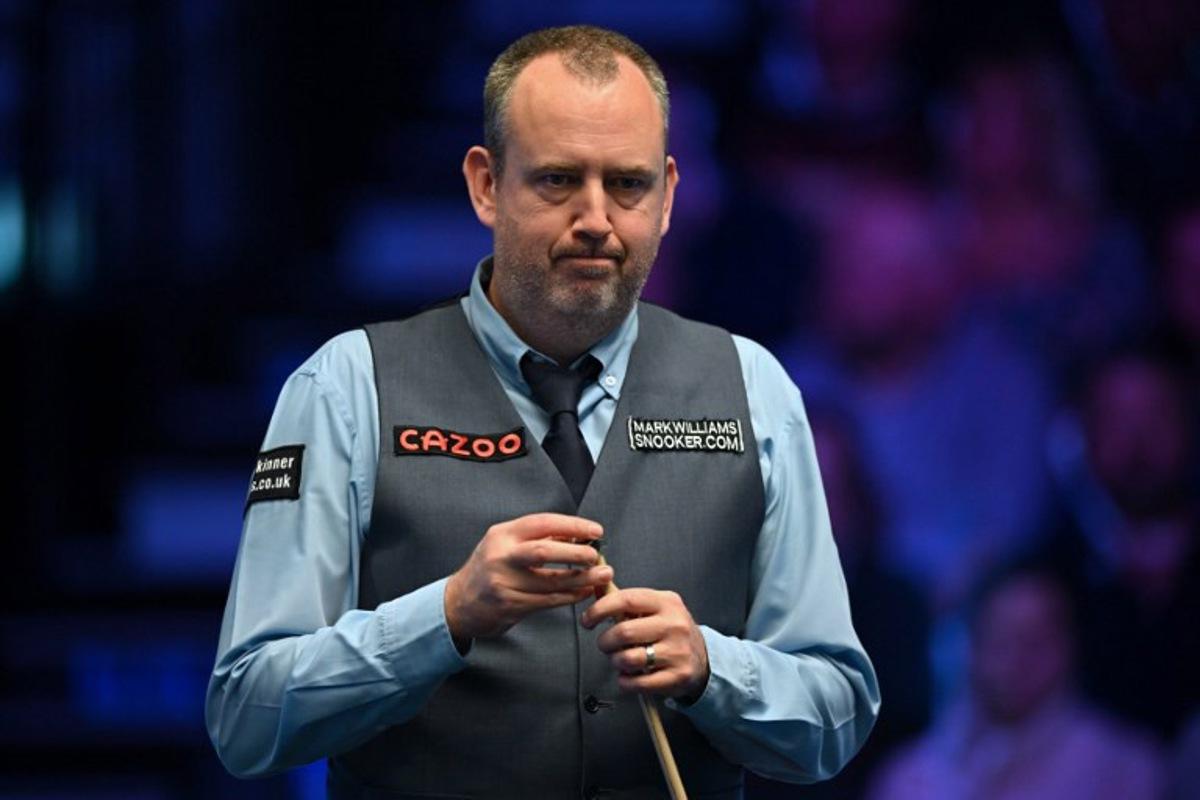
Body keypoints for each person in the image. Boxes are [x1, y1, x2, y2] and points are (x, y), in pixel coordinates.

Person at [206, 25, 879, 799]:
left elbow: (836, 716)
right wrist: (448, 616)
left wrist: (712, 666)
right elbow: (246, 717)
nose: (595, 218)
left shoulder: (754, 387)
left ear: (667, 196)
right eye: (558, 181)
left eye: (627, 185)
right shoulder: (344, 388)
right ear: (487, 185)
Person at [867, 566, 1165, 800]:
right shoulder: (909, 777)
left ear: (1070, 646)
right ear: (972, 645)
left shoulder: (1124, 768)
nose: (1016, 659)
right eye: (1001, 638)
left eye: (1035, 641)